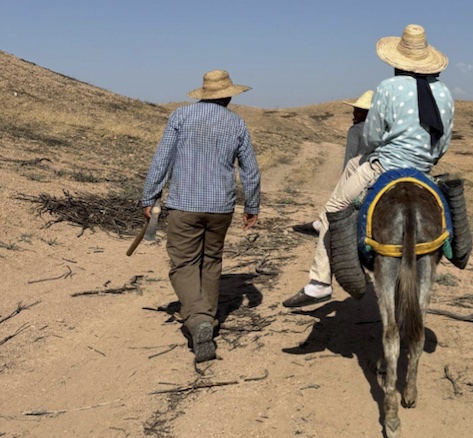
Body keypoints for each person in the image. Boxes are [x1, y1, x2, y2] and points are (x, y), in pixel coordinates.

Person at [283, 24, 454, 308]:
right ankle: (455, 248)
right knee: (448, 205)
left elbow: (372, 136)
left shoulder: (388, 87)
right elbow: (443, 142)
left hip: (386, 166)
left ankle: (320, 282)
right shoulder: (444, 92)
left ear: (397, 59)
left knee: (335, 208)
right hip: (424, 169)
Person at [141, 69, 261, 362]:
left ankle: (197, 320)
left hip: (184, 204)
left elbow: (163, 159)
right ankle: (208, 318)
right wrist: (252, 206)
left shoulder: (181, 117)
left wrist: (150, 196)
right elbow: (250, 170)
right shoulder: (237, 123)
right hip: (221, 207)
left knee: (183, 264)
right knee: (210, 262)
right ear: (229, 95)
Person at [291, 89, 374, 236]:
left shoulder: (355, 130)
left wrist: (345, 180)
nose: (354, 113)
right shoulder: (378, 129)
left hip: (361, 172)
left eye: (358, 110)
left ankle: (323, 224)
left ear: (366, 113)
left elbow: (350, 156)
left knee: (338, 203)